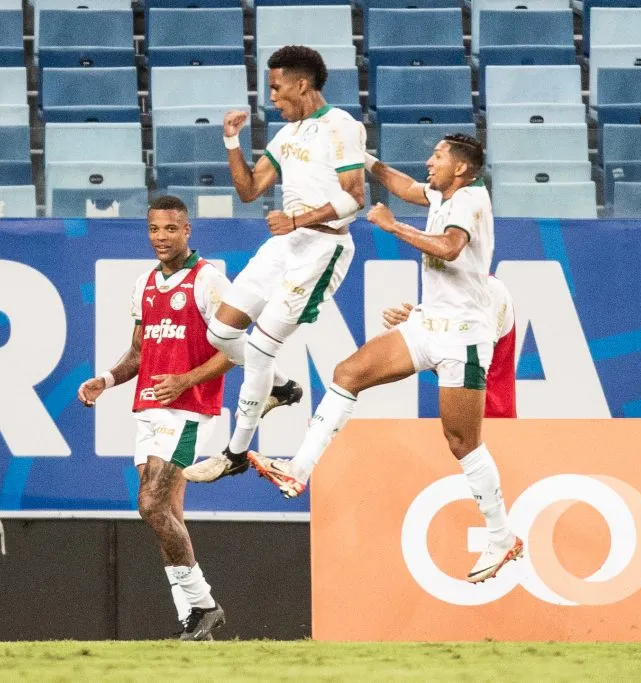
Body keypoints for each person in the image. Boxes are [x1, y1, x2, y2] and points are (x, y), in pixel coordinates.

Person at [246, 134, 524, 584]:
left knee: (462, 442)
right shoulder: (443, 192)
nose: (429, 161)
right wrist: (364, 157)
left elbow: (451, 247)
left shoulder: (472, 198)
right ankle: (298, 470)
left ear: (461, 168)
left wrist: (394, 228)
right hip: (427, 326)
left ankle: (500, 535)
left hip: (463, 339)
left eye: (438, 156)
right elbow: (406, 185)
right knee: (347, 373)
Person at [183, 45, 367, 484]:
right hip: (285, 244)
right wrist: (231, 141)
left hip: (322, 249)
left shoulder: (342, 126)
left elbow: (353, 196)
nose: (273, 98)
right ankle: (280, 388)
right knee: (222, 331)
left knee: (262, 348)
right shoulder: (286, 136)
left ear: (302, 84)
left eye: (278, 88)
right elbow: (249, 190)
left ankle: (234, 452)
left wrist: (296, 219)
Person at [77, 195, 229, 640]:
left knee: (151, 505)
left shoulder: (209, 281)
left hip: (189, 407)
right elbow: (140, 353)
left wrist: (184, 381)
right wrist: (106, 378)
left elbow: (235, 351)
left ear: (187, 231)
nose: (161, 238)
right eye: (154, 229)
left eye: (170, 229)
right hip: (148, 407)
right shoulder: (143, 282)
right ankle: (194, 620)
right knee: (167, 515)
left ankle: (203, 604)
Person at [382, 274, 517, 418]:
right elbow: (455, 367)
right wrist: (424, 336)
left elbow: (471, 366)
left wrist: (430, 337)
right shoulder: (445, 302)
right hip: (462, 425)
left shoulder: (490, 291)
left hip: (495, 423)